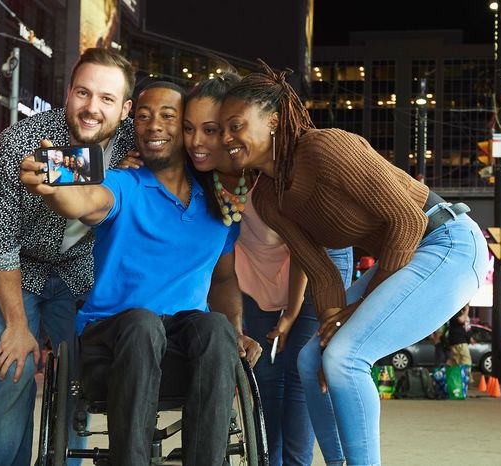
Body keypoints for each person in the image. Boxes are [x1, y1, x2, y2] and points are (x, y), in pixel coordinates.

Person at [220, 61, 489, 466]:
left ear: (273, 121)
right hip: (411, 255)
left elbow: (407, 220)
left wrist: (351, 318)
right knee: (312, 358)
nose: (225, 137)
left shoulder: (324, 148)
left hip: (448, 242)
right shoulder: (268, 198)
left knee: (345, 357)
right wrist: (331, 323)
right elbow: (321, 270)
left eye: (235, 125)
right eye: (220, 129)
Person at [20, 81, 262, 466]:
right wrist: (49, 182)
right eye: (144, 117)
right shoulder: (124, 182)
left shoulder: (220, 203)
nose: (154, 126)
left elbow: (223, 279)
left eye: (168, 117)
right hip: (112, 339)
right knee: (143, 323)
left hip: (185, 343)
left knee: (215, 328)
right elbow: (85, 199)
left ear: (186, 128)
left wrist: (236, 329)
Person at [120, 72, 353, 466]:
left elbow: (305, 250)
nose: (199, 141)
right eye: (190, 129)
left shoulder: (262, 166)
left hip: (314, 262)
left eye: (211, 130)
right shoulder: (200, 172)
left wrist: (293, 312)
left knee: (304, 371)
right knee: (263, 375)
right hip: (256, 269)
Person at [0, 47, 136, 466]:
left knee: (79, 381)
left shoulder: (139, 144)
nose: (91, 108)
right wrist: (16, 325)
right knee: (16, 371)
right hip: (15, 267)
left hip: (79, 273)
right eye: (83, 93)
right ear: (68, 93)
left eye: (106, 99)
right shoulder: (20, 142)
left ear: (125, 108)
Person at [448, 304, 474, 383]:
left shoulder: (460, 311)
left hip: (460, 340)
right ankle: (465, 380)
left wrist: (470, 337)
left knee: (455, 362)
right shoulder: (455, 310)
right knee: (466, 361)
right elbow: (461, 320)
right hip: (459, 341)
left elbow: (465, 326)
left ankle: (452, 379)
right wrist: (467, 310)